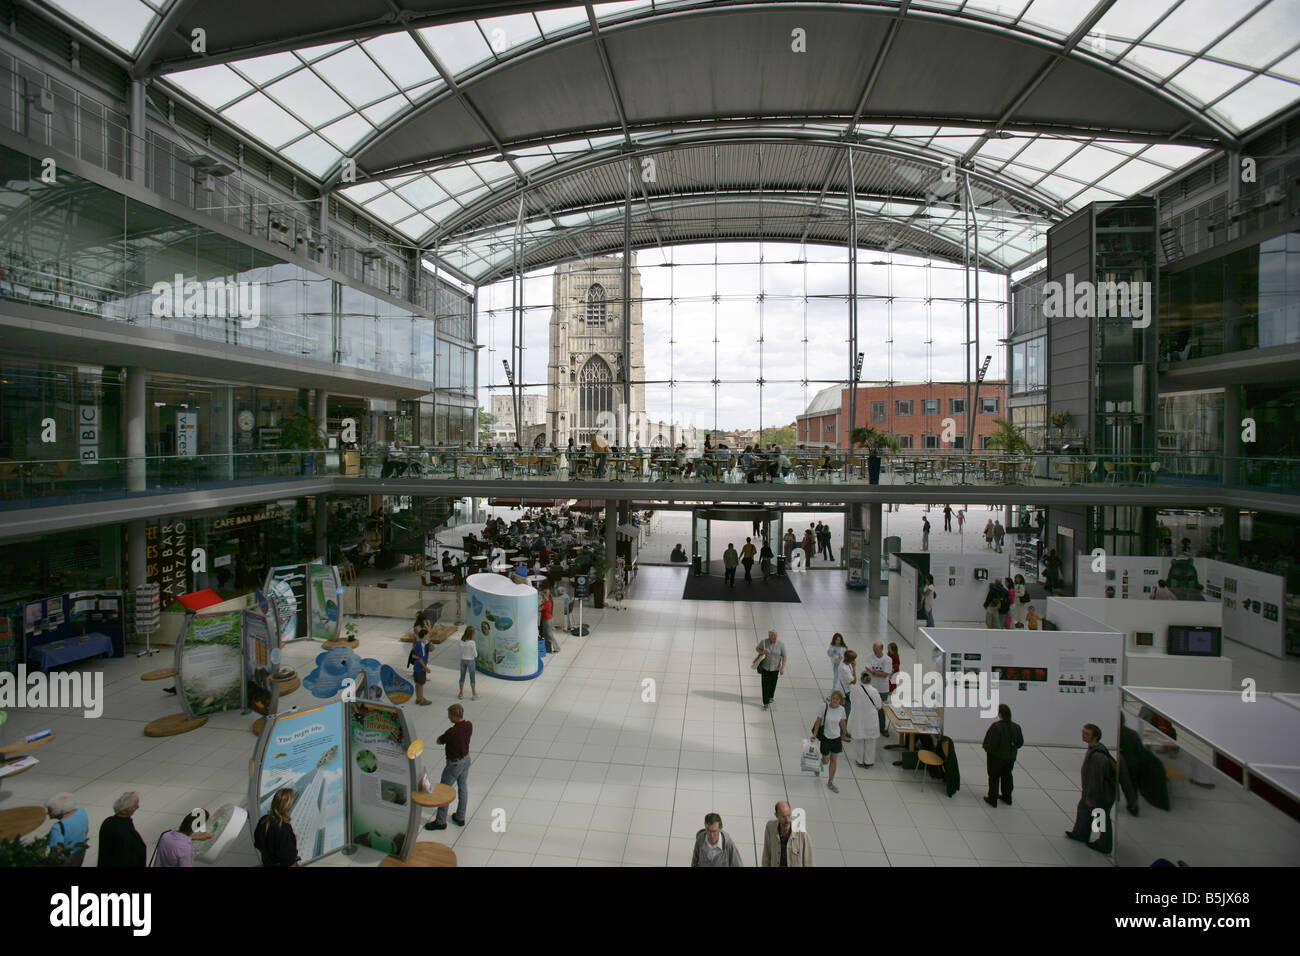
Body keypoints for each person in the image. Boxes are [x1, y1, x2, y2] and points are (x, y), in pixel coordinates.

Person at [1065, 723, 1117, 854]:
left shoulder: (1098, 756)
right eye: (1083, 732)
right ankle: (1080, 834)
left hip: (1100, 795)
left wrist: (1091, 798)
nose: (1083, 735)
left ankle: (1104, 844)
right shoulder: (1094, 749)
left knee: (1101, 818)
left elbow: (1096, 780)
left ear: (1095, 736)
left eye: (1087, 734)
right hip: (1091, 792)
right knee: (1084, 811)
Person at [428, 703, 473, 831]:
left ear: (454, 716)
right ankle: (460, 817)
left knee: (444, 790)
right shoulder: (469, 725)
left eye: (449, 715)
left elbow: (439, 740)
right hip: (466, 760)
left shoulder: (452, 731)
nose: (448, 718)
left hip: (454, 764)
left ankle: (440, 821)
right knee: (462, 787)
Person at [981, 704, 1024, 807]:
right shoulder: (1016, 727)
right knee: (1007, 776)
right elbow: (1020, 743)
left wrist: (987, 749)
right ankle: (1007, 797)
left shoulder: (996, 727)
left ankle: (992, 798)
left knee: (994, 777)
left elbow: (991, 744)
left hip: (996, 757)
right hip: (1010, 757)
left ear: (1000, 714)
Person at [811, 690, 850, 793]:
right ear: (831, 698)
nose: (835, 701)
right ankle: (819, 764)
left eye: (837, 699)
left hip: (836, 738)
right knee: (826, 760)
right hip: (826, 737)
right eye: (833, 698)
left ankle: (830, 781)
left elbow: (842, 722)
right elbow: (818, 721)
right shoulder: (824, 707)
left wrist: (844, 733)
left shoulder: (841, 709)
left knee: (834, 760)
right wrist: (814, 735)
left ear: (840, 701)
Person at [254, 788, 299, 866]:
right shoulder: (284, 827)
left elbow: (257, 843)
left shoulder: (264, 820)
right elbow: (288, 856)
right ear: (288, 805)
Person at [98, 792, 145, 867]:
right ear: (125, 810)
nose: (138, 807)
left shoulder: (108, 822)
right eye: (135, 805)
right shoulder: (125, 832)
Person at [761, 801, 813, 867]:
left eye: (789, 816)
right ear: (776, 815)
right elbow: (766, 854)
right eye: (783, 817)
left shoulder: (802, 834)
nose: (787, 820)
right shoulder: (770, 827)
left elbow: (808, 862)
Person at [846, 676, 882, 768]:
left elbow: (851, 700)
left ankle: (859, 760)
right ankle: (869, 761)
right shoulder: (874, 691)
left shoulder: (855, 690)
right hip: (871, 718)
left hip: (859, 718)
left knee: (859, 740)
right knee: (870, 741)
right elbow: (879, 705)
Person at [44, 793, 89, 867]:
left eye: (50, 810)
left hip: (64, 859)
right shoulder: (81, 812)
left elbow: (57, 850)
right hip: (80, 851)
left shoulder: (57, 827)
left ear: (59, 810)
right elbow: (86, 830)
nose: (47, 813)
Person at [863, 641, 892, 736]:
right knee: (870, 707)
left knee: (881, 708)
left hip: (883, 689)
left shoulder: (887, 660)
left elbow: (885, 674)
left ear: (881, 649)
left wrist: (874, 672)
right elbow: (868, 669)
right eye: (873, 648)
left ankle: (882, 727)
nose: (874, 650)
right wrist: (876, 672)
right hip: (871, 687)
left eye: (876, 649)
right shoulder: (869, 657)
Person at [1118, 714, 1143, 817]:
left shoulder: (1114, 734)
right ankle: (1133, 805)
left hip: (1118, 763)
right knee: (1131, 786)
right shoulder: (1133, 734)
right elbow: (1139, 751)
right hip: (1132, 764)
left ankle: (1116, 802)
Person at [755, 630, 787, 709]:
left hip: (775, 669)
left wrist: (782, 668)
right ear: (769, 636)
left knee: (773, 684)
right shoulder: (764, 642)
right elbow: (757, 648)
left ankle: (770, 696)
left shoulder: (781, 645)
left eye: (775, 636)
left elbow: (784, 656)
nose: (774, 638)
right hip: (765, 668)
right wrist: (762, 651)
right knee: (765, 685)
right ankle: (765, 703)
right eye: (772, 636)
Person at [410, 624, 432, 705]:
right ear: (424, 635)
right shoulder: (422, 645)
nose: (428, 636)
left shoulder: (418, 643)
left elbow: (413, 655)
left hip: (416, 667)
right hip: (420, 668)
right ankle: (421, 699)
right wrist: (425, 668)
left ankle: (418, 698)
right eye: (427, 635)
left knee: (417, 684)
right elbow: (420, 658)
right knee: (421, 684)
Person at [457, 626, 479, 699]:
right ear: (471, 634)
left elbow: (460, 652)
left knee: (462, 677)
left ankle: (461, 693)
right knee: (472, 678)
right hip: (471, 661)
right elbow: (475, 654)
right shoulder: (472, 643)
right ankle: (474, 694)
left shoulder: (460, 641)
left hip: (463, 660)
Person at [836, 650, 858, 719]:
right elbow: (854, 681)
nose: (854, 661)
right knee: (846, 711)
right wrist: (854, 668)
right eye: (854, 659)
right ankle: (844, 726)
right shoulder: (844, 668)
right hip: (845, 693)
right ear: (850, 660)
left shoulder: (844, 662)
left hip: (844, 690)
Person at [539, 589, 558, 655]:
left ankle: (557, 648)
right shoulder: (545, 602)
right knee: (546, 635)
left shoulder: (548, 603)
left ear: (545, 596)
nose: (542, 597)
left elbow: (540, 609)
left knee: (549, 635)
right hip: (544, 619)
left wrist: (541, 605)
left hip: (548, 620)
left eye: (543, 596)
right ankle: (548, 649)